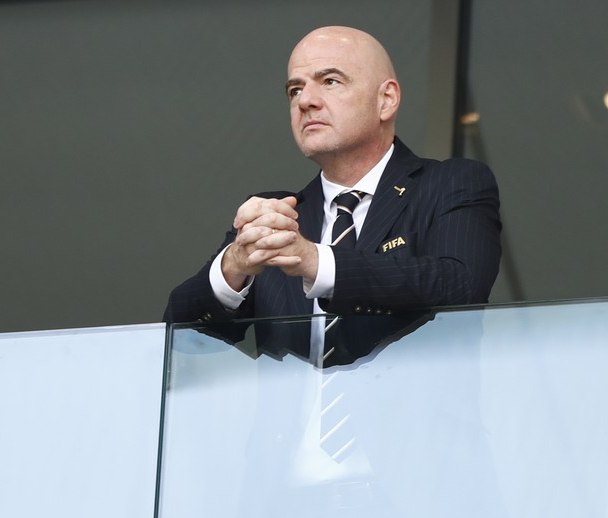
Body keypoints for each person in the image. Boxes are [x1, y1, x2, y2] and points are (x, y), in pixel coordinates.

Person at [164, 26, 502, 365]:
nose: (305, 101)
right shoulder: (279, 217)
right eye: (295, 89)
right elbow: (180, 338)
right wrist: (234, 265)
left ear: (386, 100)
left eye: (330, 81)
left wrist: (317, 262)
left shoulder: (450, 183)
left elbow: (460, 285)